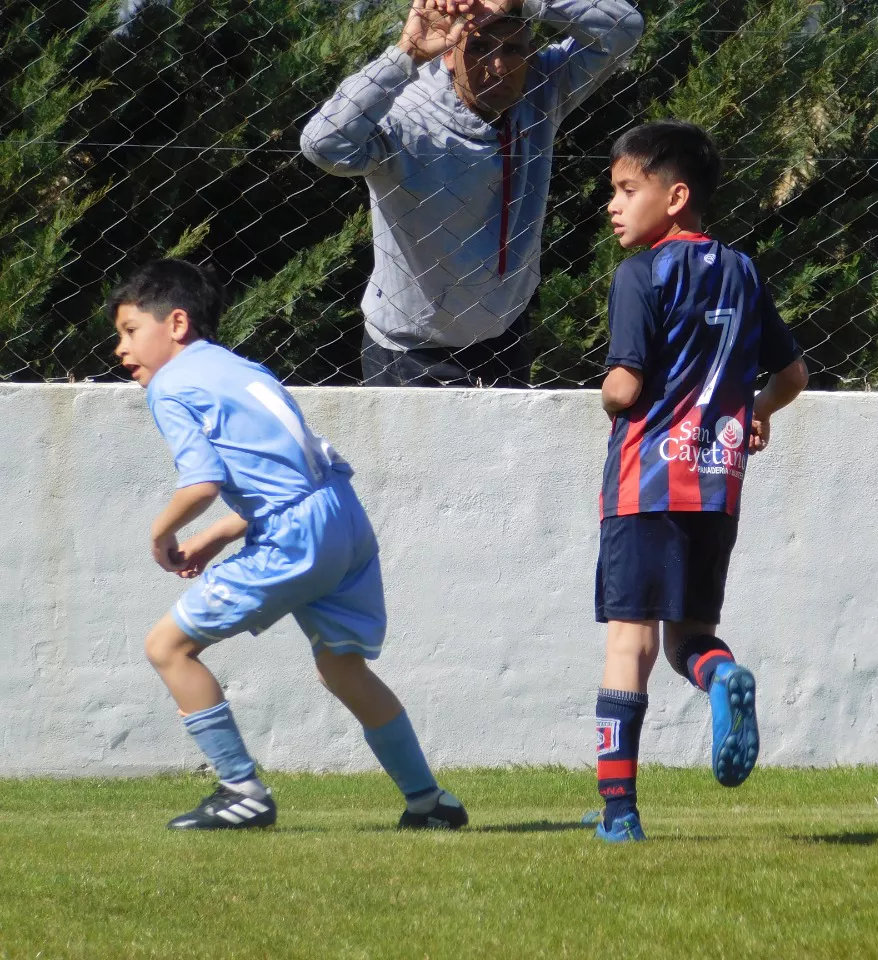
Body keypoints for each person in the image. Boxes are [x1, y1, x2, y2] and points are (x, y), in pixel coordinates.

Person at [111, 259, 467, 830]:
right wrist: (218, 534)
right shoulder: (241, 369)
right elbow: (293, 475)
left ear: (176, 323)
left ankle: (240, 791)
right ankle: (429, 802)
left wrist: (163, 533)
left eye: (130, 331)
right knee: (341, 667)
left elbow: (201, 483)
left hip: (296, 537)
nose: (121, 349)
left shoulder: (172, 385)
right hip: (344, 520)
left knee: (167, 647)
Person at [590, 121, 810, 842]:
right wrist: (752, 409)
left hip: (645, 483)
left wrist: (608, 389)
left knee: (631, 641)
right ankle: (722, 679)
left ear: (674, 196)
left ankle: (619, 815)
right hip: (715, 486)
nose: (614, 206)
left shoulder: (640, 274)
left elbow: (625, 387)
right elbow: (792, 376)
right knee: (691, 636)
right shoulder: (743, 271)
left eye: (627, 190)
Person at [300, 0, 644, 387]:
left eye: (514, 50)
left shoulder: (541, 89)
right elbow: (322, 145)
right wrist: (405, 54)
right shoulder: (405, 113)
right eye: (479, 47)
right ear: (448, 53)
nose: (498, 67)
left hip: (505, 335)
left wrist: (526, 1)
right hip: (412, 349)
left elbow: (624, 27)